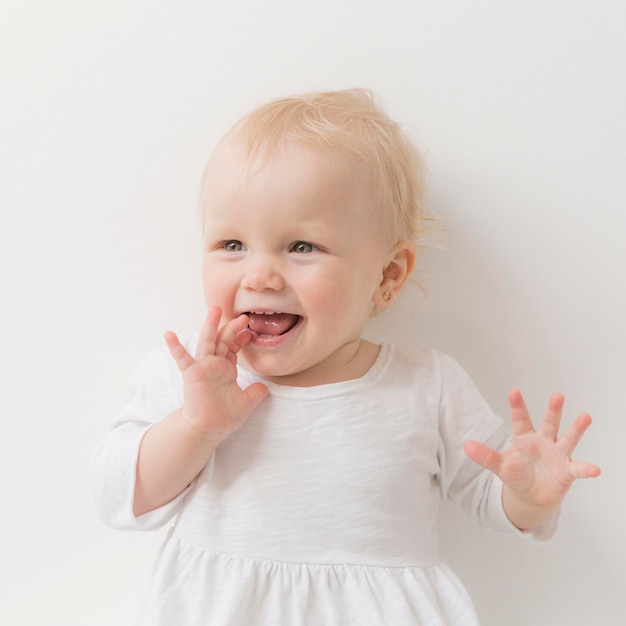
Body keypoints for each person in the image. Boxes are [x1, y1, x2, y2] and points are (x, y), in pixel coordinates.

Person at [90, 89, 600, 625]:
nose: (259, 275)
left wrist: (530, 497)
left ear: (387, 277)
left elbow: (489, 495)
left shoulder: (427, 386)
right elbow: (117, 496)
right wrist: (196, 427)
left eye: (301, 247)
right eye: (232, 244)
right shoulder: (189, 378)